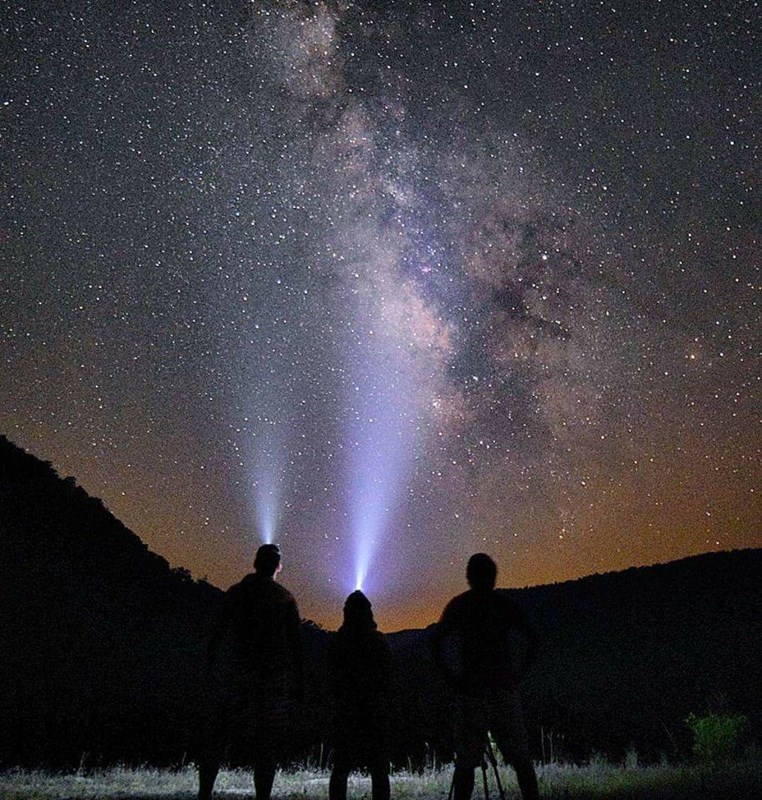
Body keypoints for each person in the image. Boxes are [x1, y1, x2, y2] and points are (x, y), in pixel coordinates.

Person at [198, 543, 304, 800]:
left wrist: (209, 667)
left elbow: (217, 632)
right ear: (279, 566)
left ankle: (205, 794)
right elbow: (296, 646)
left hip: (234, 677)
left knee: (217, 738)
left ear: (255, 562)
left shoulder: (237, 593)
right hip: (270, 682)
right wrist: (298, 682)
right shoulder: (285, 599)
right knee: (266, 745)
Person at [431, 553, 540, 800]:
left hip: (470, 692)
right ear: (493, 577)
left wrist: (452, 679)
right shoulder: (503, 604)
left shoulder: (460, 605)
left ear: (469, 577)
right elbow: (533, 639)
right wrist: (517, 676)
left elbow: (436, 643)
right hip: (503, 690)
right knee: (521, 758)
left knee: (467, 762)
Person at [328, 590, 392, 800]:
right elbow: (388, 677)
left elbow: (332, 676)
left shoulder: (339, 643)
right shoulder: (379, 642)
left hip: (346, 710)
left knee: (341, 768)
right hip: (375, 711)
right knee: (379, 770)